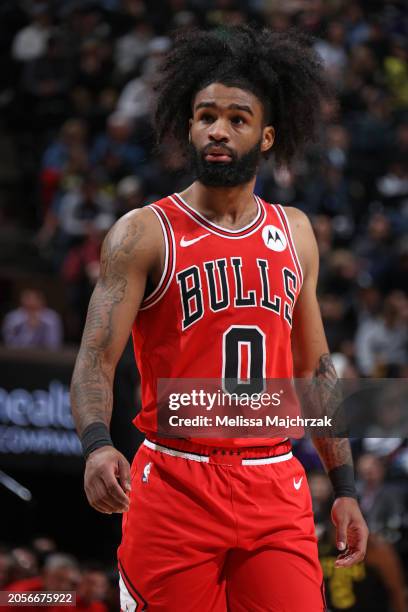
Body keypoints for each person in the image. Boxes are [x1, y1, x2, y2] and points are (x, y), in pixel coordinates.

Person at [71, 26, 368, 611]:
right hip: (177, 479)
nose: (218, 130)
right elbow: (95, 358)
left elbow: (317, 369)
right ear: (188, 127)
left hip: (274, 480)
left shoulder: (296, 232)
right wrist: (97, 445)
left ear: (266, 136)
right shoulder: (143, 233)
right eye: (206, 115)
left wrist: (346, 489)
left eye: (238, 118)